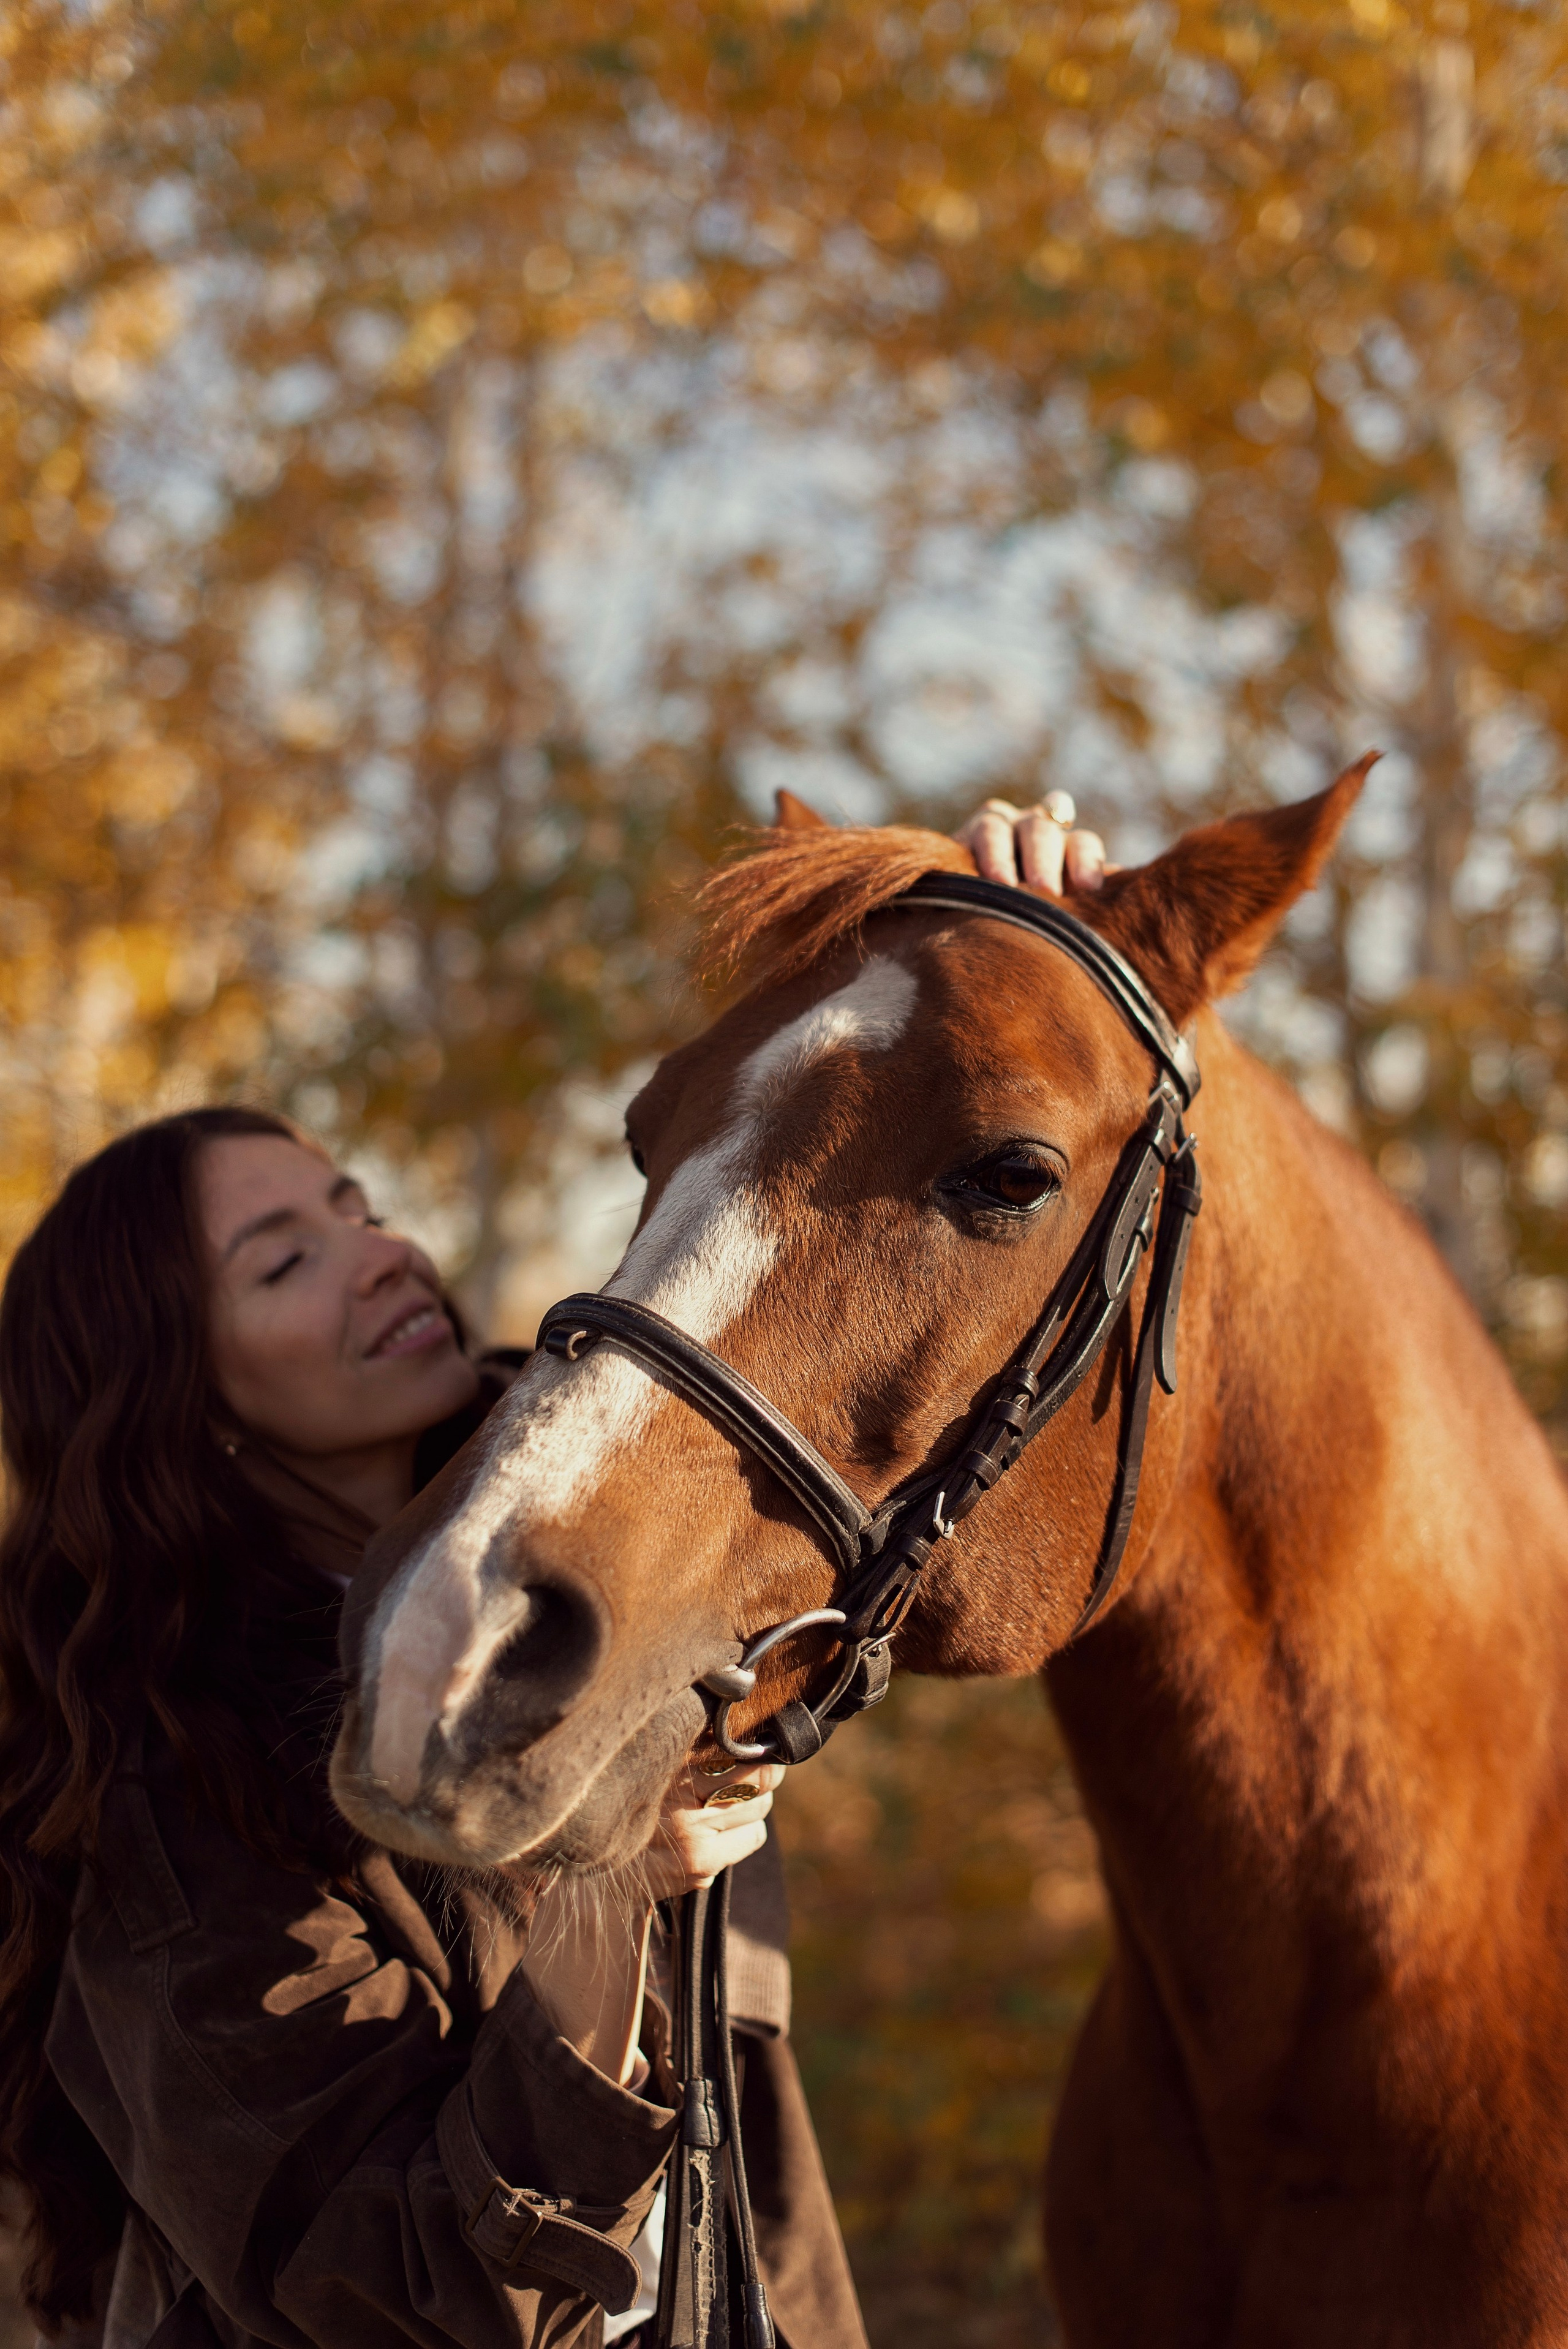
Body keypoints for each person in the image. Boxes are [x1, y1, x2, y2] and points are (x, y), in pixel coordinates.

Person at [0, 800, 1105, 2349]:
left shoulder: (598, 1548)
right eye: (282, 1262)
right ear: (172, 1399)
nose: (378, 1252)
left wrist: (1016, 944)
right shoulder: (165, 1807)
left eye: (354, 1207)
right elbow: (398, 2302)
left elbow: (804, 1279)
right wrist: (617, 1891)